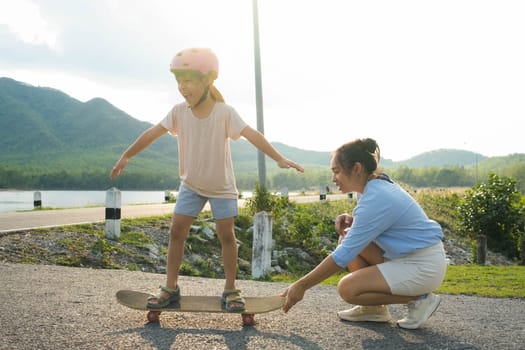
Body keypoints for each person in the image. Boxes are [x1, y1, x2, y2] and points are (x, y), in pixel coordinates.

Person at [110, 47, 304, 312]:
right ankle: (170, 287)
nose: (182, 86)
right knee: (177, 232)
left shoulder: (224, 112)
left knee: (227, 237)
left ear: (208, 80)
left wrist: (279, 158)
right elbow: (152, 133)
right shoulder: (179, 112)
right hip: (191, 185)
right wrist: (126, 156)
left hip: (221, 187)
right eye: (179, 81)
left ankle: (231, 289)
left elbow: (251, 134)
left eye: (188, 80)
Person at [282, 138, 446, 329]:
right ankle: (374, 309)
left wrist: (301, 285)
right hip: (411, 259)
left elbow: (343, 255)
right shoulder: (372, 188)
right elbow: (378, 225)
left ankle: (420, 298)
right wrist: (354, 222)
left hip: (423, 266)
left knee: (348, 289)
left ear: (357, 168)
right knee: (347, 236)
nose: (333, 179)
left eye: (336, 171)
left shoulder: (376, 196)